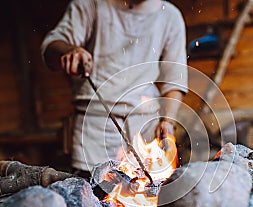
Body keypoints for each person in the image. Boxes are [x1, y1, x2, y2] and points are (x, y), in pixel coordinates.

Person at [41, 0, 188, 175]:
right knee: (91, 195)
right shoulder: (91, 4)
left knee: (146, 193)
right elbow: (52, 45)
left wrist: (168, 121)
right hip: (95, 126)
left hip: (145, 125)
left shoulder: (169, 15)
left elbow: (174, 77)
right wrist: (69, 50)